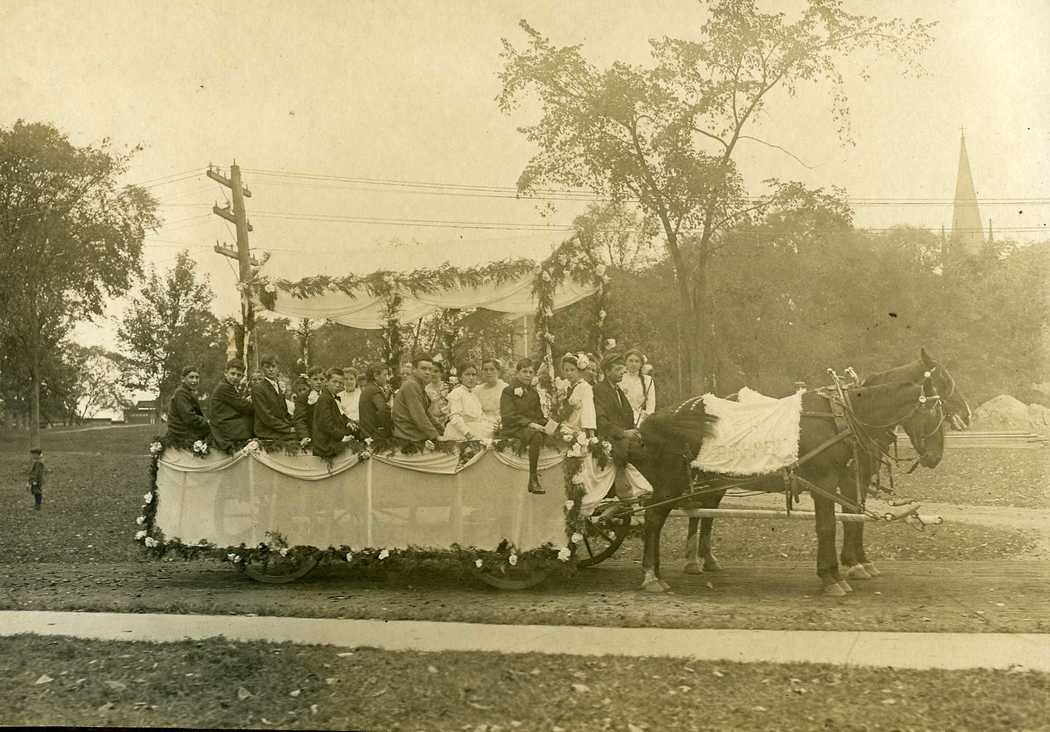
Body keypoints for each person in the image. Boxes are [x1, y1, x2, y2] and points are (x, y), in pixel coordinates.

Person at [498, 358, 549, 494]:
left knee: (551, 432)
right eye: (524, 371)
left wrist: (547, 423)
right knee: (536, 435)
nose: (528, 375)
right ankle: (533, 479)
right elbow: (508, 416)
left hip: (529, 427)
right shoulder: (508, 391)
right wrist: (531, 424)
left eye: (530, 372)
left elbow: (538, 415)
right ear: (517, 373)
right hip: (514, 427)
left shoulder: (533, 393)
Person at [593, 352, 646, 471]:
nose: (622, 372)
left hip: (623, 437)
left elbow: (627, 415)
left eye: (622, 369)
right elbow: (601, 422)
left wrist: (634, 431)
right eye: (618, 369)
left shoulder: (617, 389)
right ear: (607, 372)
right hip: (612, 438)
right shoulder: (599, 390)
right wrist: (624, 433)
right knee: (643, 453)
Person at [391, 355, 442, 443]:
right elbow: (419, 415)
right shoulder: (411, 385)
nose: (428, 372)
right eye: (424, 368)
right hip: (408, 433)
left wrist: (441, 430)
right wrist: (435, 436)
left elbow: (426, 413)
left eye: (430, 369)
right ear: (414, 370)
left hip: (413, 430)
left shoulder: (419, 385)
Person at [209, 359, 254, 451]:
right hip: (223, 426)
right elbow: (243, 407)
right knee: (253, 420)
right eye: (232, 373)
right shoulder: (224, 387)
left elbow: (238, 403)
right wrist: (254, 403)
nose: (235, 377)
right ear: (225, 373)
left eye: (239, 375)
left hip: (225, 422)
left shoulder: (229, 386)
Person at [443, 362, 493, 441]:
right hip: (460, 432)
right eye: (467, 374)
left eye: (473, 375)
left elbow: (479, 416)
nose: (471, 378)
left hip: (476, 428)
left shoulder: (474, 394)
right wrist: (467, 432)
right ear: (460, 377)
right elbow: (455, 417)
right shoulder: (456, 393)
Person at [251, 354, 296, 441]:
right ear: (263, 369)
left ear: (278, 368)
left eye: (273, 366)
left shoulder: (278, 386)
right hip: (266, 430)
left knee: (305, 431)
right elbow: (266, 416)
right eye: (267, 367)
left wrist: (293, 424)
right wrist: (287, 429)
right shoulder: (258, 388)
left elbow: (284, 412)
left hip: (278, 427)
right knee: (298, 435)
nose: (271, 370)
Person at [311, 368, 352, 460]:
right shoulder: (324, 399)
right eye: (334, 382)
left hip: (331, 438)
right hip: (325, 445)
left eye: (341, 383)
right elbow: (326, 424)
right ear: (326, 382)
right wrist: (342, 436)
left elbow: (340, 417)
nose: (338, 385)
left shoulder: (333, 397)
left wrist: (349, 422)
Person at [166, 366, 210, 443]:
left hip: (185, 430)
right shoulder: (181, 393)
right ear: (183, 379)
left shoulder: (188, 393)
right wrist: (207, 423)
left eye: (197, 377)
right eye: (191, 377)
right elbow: (189, 418)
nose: (195, 380)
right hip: (181, 433)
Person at [559, 354, 597, 434]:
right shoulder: (564, 385)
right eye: (566, 370)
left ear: (579, 371)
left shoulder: (585, 387)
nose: (569, 373)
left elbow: (589, 410)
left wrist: (591, 434)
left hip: (577, 428)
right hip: (562, 424)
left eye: (572, 370)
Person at [621, 349, 656, 426]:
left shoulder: (648, 380)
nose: (633, 364)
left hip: (641, 418)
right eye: (630, 361)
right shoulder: (620, 378)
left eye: (637, 361)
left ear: (641, 364)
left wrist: (647, 419)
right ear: (625, 362)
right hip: (621, 417)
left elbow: (651, 404)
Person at [292, 366, 325, 447]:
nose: (319, 382)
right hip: (312, 435)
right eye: (315, 379)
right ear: (309, 381)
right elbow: (300, 419)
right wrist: (304, 436)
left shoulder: (328, 396)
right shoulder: (303, 398)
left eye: (321, 379)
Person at [358, 363, 393, 440]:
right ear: (376, 376)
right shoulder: (374, 390)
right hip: (374, 435)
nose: (387, 378)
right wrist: (389, 428)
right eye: (385, 375)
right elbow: (382, 410)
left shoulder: (369, 388)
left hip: (367, 432)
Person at [475, 358, 508, 424]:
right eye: (485, 370)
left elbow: (509, 411)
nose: (488, 372)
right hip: (481, 422)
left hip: (501, 422)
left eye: (492, 369)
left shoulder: (505, 388)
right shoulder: (477, 390)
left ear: (498, 371)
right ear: (482, 372)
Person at [426, 360, 450, 429]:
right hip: (432, 422)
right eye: (430, 371)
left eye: (436, 371)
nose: (433, 374)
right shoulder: (425, 389)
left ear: (441, 373)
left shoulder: (448, 387)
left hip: (447, 421)